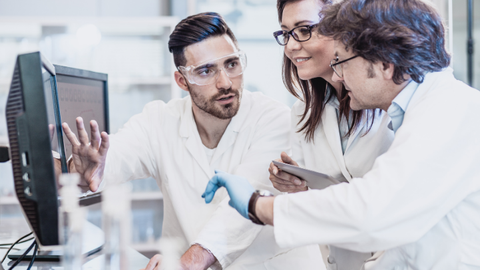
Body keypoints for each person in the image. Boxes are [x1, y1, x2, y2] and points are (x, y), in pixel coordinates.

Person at [203, 0, 480, 269]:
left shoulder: (451, 111)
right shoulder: (419, 111)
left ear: (385, 64)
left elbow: (372, 212)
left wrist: (257, 206)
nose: (337, 76)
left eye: (343, 61)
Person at [62, 12, 324, 270]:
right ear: (182, 80)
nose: (225, 83)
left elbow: (242, 213)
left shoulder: (274, 119)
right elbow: (115, 158)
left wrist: (185, 265)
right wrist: (83, 171)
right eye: (206, 71)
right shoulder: (159, 121)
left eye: (231, 64)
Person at [270, 0, 394, 268]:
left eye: (304, 30)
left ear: (342, 27)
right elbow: (319, 207)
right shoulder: (304, 111)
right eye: (286, 33)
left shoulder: (388, 97)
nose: (291, 46)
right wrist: (299, 186)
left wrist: (259, 208)